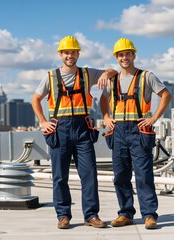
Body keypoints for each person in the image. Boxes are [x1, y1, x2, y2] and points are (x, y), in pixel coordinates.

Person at [32, 35, 117, 229]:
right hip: (59, 129)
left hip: (82, 130)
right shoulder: (51, 77)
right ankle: (63, 216)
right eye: (66, 52)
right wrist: (43, 121)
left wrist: (105, 74)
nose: (70, 55)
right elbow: (35, 99)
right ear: (61, 55)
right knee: (59, 176)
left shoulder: (87, 74)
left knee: (89, 174)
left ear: (78, 54)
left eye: (73, 52)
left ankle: (91, 215)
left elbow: (113, 71)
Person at [100, 38, 172, 229]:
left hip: (139, 130)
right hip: (118, 131)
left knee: (143, 174)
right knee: (120, 175)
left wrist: (154, 118)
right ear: (116, 57)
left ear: (133, 55)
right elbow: (102, 99)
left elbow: (166, 95)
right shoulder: (112, 79)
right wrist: (106, 116)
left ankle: (149, 215)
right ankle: (125, 214)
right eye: (120, 55)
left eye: (127, 54)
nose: (124, 57)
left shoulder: (146, 76)